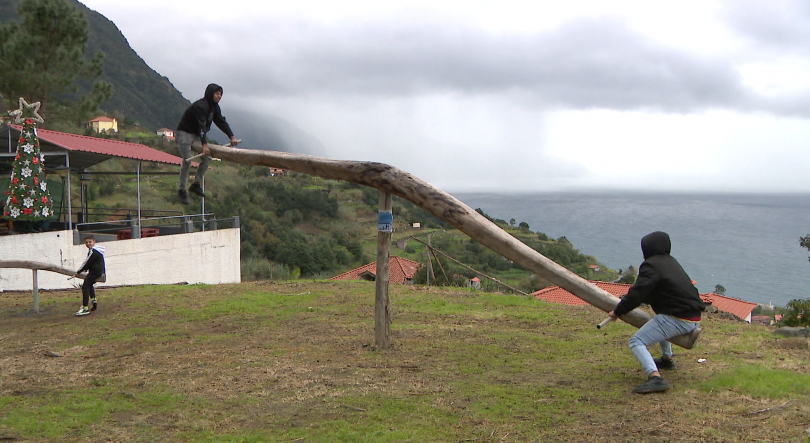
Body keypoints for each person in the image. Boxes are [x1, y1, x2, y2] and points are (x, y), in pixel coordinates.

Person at [608, 231, 706, 394]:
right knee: (659, 321)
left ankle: (655, 377)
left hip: (677, 319)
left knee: (636, 341)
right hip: (693, 317)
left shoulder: (651, 265)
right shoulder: (671, 262)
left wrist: (618, 311)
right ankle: (666, 359)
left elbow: (639, 292)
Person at [175, 83, 240, 204]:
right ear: (211, 93)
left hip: (197, 134)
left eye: (221, 94)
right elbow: (201, 126)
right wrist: (204, 145)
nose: (219, 96)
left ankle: (196, 184)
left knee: (207, 158)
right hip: (184, 132)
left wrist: (232, 136)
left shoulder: (215, 108)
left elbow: (221, 122)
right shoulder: (200, 106)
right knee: (188, 160)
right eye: (217, 93)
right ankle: (182, 190)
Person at [74, 235, 106, 316]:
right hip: (97, 271)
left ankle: (85, 308)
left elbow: (87, 262)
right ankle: (94, 300)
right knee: (89, 284)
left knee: (85, 286)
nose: (88, 244)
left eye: (90, 242)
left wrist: (79, 271)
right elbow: (92, 262)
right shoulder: (97, 250)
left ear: (94, 242)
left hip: (95, 272)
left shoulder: (93, 251)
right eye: (86, 242)